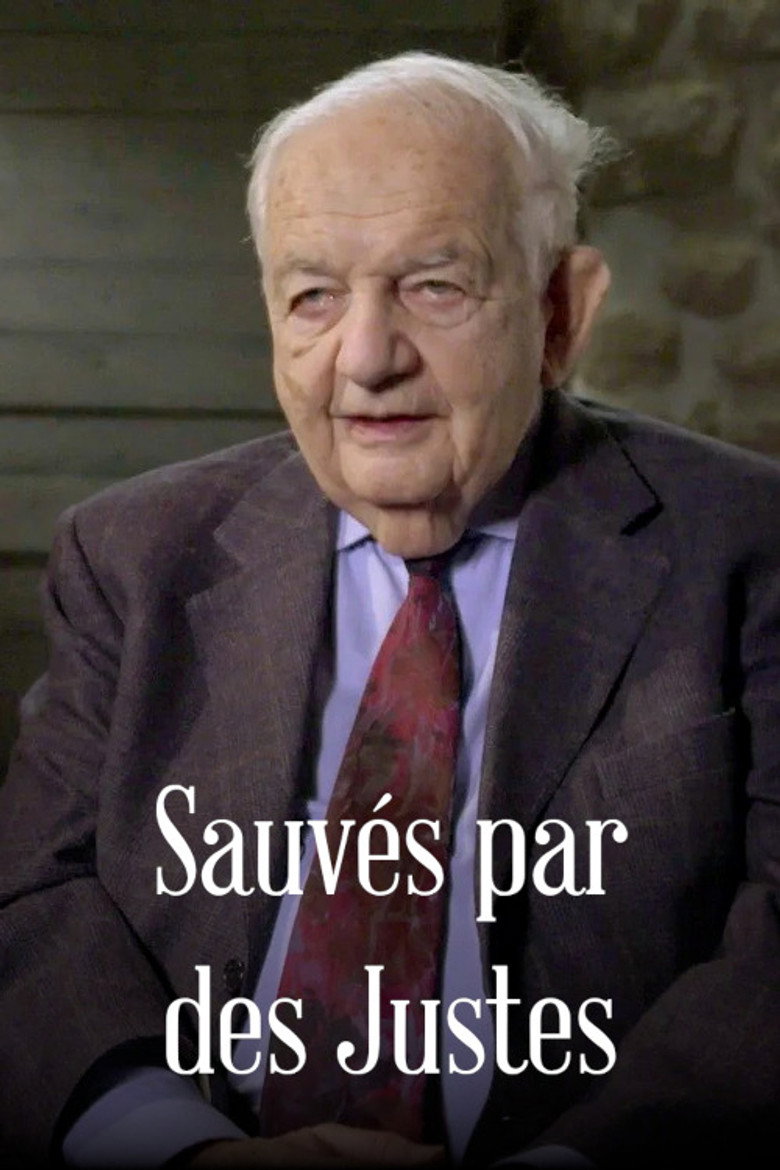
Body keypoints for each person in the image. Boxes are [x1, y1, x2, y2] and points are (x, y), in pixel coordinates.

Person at [0, 51, 778, 1170]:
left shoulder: (746, 546)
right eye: (314, 296)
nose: (365, 359)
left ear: (561, 313)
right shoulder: (133, 557)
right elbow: (34, 897)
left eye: (435, 286)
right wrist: (173, 1148)